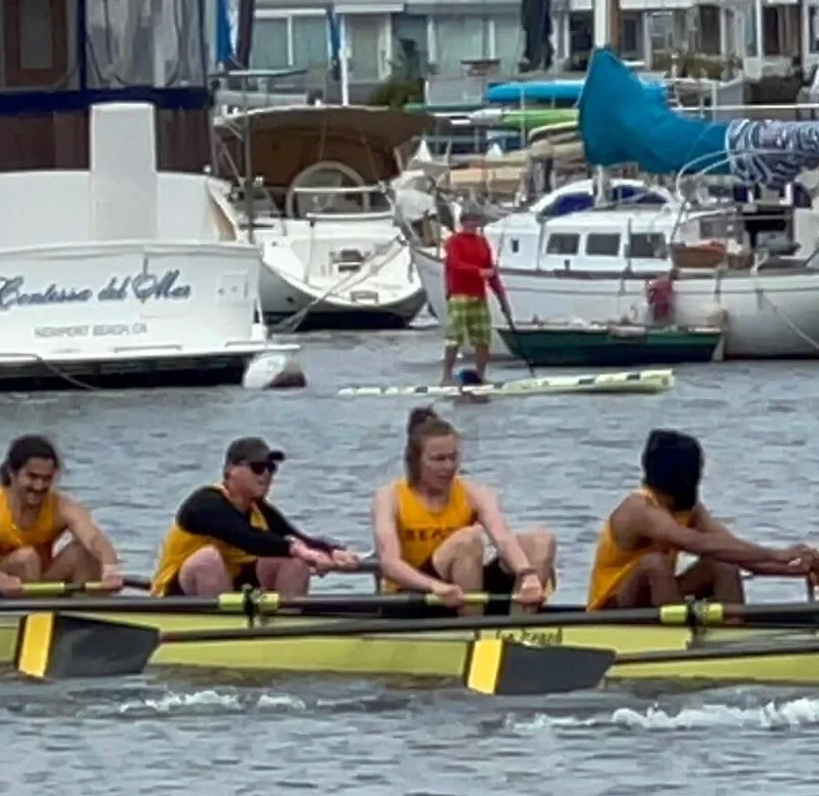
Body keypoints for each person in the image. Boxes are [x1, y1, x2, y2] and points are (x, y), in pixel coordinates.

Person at [585, 429, 819, 609]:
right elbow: (694, 543)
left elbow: (733, 550)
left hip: (656, 598)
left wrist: (795, 567)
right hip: (614, 607)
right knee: (655, 564)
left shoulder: (690, 510)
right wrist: (775, 553)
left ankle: (733, 637)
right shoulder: (640, 509)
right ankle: (674, 636)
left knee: (723, 563)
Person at [370, 407, 556, 615]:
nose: (449, 467)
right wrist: (435, 586)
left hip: (464, 588)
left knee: (540, 540)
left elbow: (503, 537)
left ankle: (521, 629)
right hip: (415, 595)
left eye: (453, 457)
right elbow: (390, 564)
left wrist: (526, 573)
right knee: (467, 540)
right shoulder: (389, 497)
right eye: (439, 459)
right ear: (415, 462)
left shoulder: (474, 493)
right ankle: (471, 629)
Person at [151, 436, 362, 597]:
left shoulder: (259, 509)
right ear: (231, 470)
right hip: (176, 593)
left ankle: (285, 631)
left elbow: (295, 537)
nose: (266, 475)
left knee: (294, 561)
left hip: (230, 587)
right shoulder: (204, 504)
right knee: (208, 559)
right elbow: (247, 538)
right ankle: (221, 637)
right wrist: (299, 549)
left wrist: (333, 552)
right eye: (258, 468)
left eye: (271, 469)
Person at [0, 435, 126, 595]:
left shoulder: (61, 506)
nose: (39, 486)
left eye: (47, 479)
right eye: (32, 477)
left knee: (83, 552)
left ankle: (84, 613)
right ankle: (36, 612)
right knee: (26, 558)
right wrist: (1, 579)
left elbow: (93, 537)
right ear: (11, 472)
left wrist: (110, 568)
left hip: (38, 585)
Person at [440, 207, 513, 387]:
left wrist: (502, 299)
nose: (472, 224)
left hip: (478, 296)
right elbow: (455, 264)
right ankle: (446, 376)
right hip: (459, 296)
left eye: (475, 220)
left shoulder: (482, 243)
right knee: (454, 338)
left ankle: (480, 375)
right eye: (468, 220)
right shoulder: (454, 242)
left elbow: (491, 273)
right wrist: (479, 272)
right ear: (462, 222)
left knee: (482, 338)